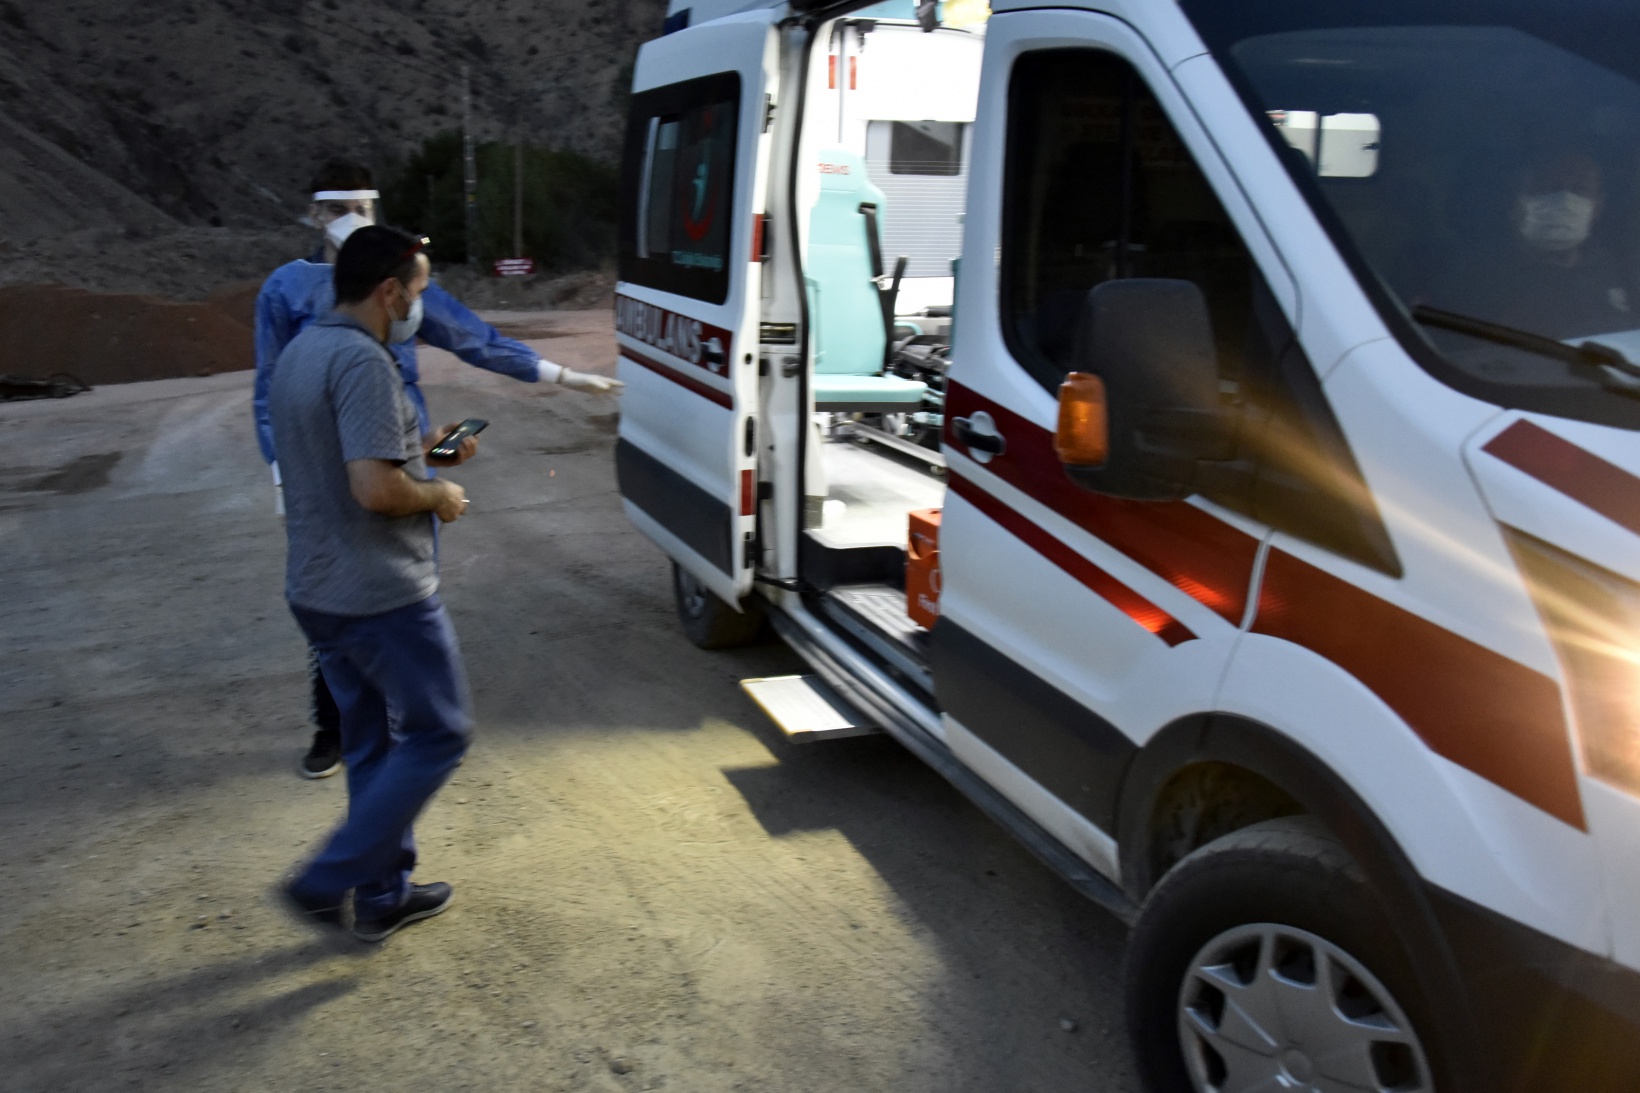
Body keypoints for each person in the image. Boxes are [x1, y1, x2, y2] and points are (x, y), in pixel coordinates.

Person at [255, 158, 622, 780]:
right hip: (326, 468)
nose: (350, 221)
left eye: (359, 209)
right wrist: (283, 473)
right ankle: (338, 727)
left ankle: (383, 732)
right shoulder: (290, 291)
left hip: (395, 448)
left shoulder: (400, 283)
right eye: (339, 210)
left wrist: (561, 376)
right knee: (338, 601)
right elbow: (272, 392)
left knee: (392, 582)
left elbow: (472, 337)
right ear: (315, 215)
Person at [273, 225, 476, 942]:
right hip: (378, 593)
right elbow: (374, 488)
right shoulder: (363, 362)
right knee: (440, 731)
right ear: (389, 290)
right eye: (419, 291)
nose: (420, 305)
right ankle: (327, 878)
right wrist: (439, 496)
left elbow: (345, 451)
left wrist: (427, 449)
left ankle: (383, 893)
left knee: (370, 745)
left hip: (317, 590)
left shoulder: (304, 351)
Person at [1432, 151, 1632, 338]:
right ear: (1520, 198)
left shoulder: (1620, 270)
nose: (1565, 199)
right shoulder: (1475, 274)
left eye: (1579, 190)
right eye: (1551, 187)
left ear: (1598, 205)